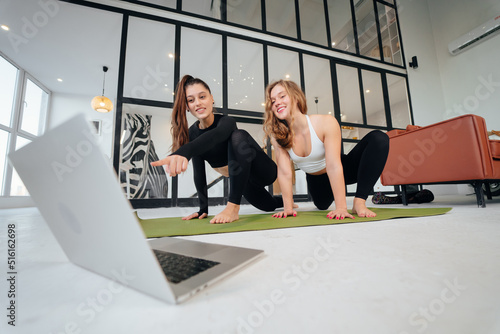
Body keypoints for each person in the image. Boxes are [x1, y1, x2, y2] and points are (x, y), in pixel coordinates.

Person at [152, 75, 283, 224]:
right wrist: (203, 209)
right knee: (269, 206)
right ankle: (283, 199)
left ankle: (233, 207)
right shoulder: (192, 135)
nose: (198, 103)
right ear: (187, 107)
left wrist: (183, 152)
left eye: (202, 97)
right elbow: (199, 172)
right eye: (191, 100)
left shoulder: (226, 122)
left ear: (211, 98)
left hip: (264, 172)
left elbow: (215, 136)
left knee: (239, 135)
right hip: (243, 181)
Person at [263, 79, 389, 220]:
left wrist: (341, 208)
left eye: (282, 96)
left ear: (295, 97)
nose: (277, 103)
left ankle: (359, 201)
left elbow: (334, 166)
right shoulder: (279, 136)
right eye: (273, 101)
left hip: (341, 167)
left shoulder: (325, 122)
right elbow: (285, 173)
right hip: (317, 178)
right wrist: (288, 208)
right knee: (322, 205)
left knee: (379, 139)